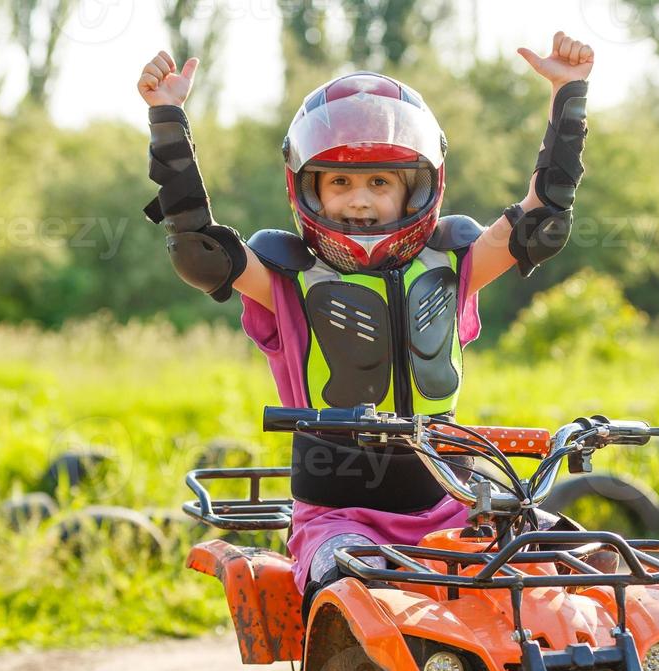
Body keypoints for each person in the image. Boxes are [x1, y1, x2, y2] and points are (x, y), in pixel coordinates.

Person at [136, 33, 593, 612]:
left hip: (457, 503)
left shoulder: (454, 262)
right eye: (341, 182)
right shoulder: (286, 277)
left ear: (418, 189)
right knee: (358, 587)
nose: (360, 200)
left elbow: (540, 224)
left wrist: (568, 93)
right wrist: (166, 117)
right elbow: (199, 251)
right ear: (309, 189)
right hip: (340, 516)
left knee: (589, 561)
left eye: (380, 183)